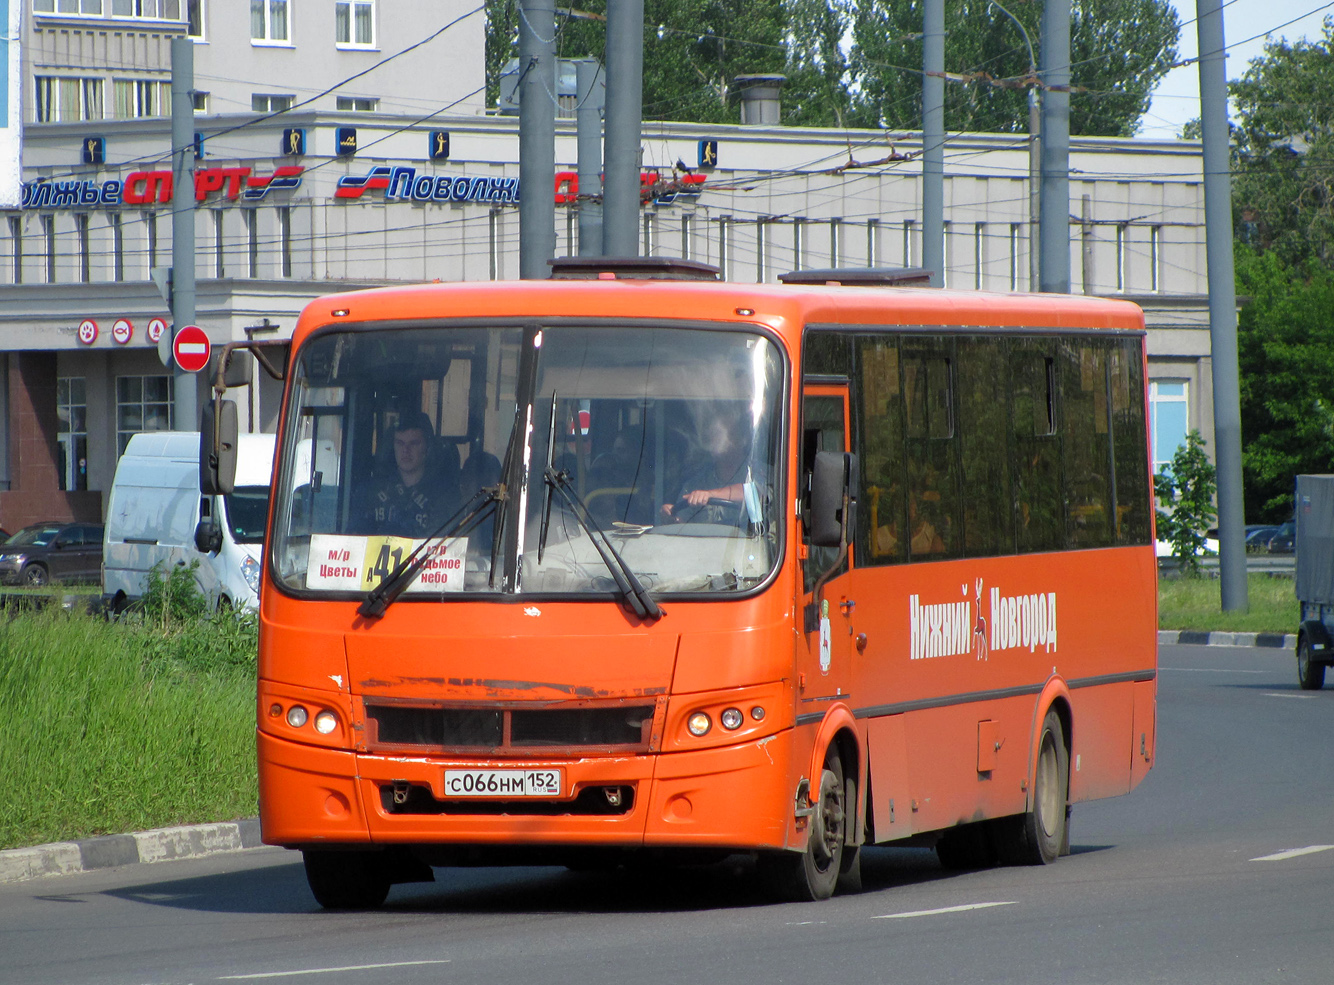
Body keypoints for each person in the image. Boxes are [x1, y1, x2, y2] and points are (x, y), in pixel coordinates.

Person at [661, 406, 765, 523]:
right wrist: (671, 517)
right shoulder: (695, 484)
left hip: (750, 541)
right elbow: (682, 525)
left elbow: (756, 492)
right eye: (713, 435)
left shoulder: (761, 472)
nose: (716, 440)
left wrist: (710, 494)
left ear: (742, 439)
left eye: (722, 434)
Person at [362, 411, 456, 537]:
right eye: (400, 443)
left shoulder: (445, 495)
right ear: (392, 446)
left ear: (427, 448)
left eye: (414, 443)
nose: (405, 450)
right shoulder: (371, 492)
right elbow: (354, 538)